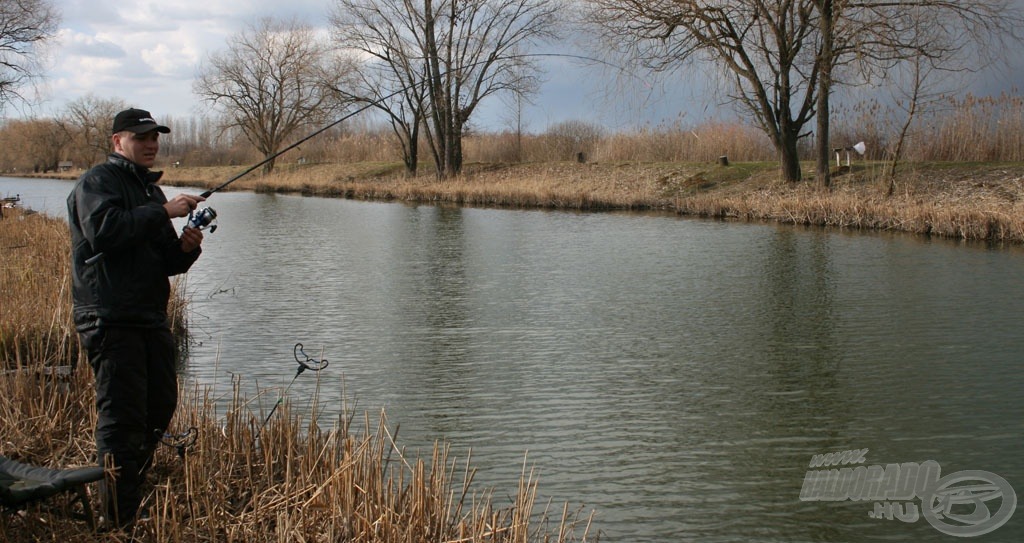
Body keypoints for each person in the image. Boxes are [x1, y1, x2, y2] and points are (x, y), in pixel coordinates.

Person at [67, 108, 206, 528]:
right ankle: (116, 517)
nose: (151, 144)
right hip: (108, 317)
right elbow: (105, 231)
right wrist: (165, 213)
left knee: (159, 408)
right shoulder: (97, 183)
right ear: (117, 142)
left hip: (149, 317)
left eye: (155, 138)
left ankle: (128, 493)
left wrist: (186, 247)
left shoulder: (151, 193)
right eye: (141, 137)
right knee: (122, 417)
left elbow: (165, 261)